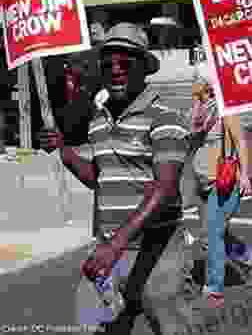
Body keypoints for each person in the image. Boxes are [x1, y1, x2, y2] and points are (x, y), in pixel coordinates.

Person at [40, 22, 204, 334]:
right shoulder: (99, 120)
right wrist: (65, 151)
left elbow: (166, 188)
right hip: (109, 253)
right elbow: (99, 179)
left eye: (125, 62)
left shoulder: (164, 114)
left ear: (143, 66)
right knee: (97, 324)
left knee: (172, 326)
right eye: (107, 62)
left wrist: (116, 244)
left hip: (157, 252)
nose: (115, 69)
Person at [190, 72, 252, 308]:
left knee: (212, 234)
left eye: (196, 81)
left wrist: (246, 174)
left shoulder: (225, 109)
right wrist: (198, 101)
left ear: (208, 85)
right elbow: (193, 132)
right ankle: (247, 258)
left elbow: (241, 141)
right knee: (215, 232)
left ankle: (213, 288)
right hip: (204, 182)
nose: (193, 85)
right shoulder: (200, 111)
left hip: (225, 182)